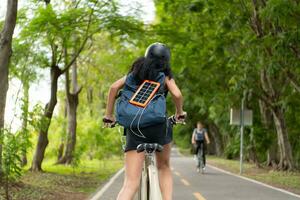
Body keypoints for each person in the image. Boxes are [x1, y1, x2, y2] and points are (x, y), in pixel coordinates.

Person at [103, 42, 186, 200]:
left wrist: (109, 115)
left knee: (130, 183)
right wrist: (179, 112)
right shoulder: (165, 76)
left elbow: (113, 88)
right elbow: (177, 94)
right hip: (158, 128)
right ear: (167, 60)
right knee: (164, 167)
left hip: (135, 129)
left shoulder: (136, 72)